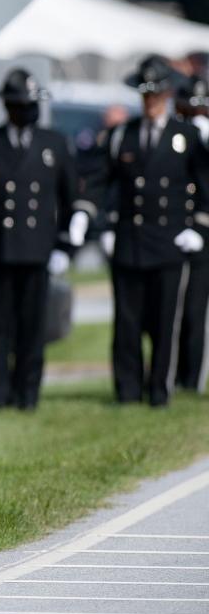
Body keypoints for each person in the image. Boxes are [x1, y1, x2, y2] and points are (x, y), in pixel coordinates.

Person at [87, 54, 209, 407]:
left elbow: (204, 187)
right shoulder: (121, 135)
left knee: (163, 322)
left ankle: (160, 389)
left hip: (170, 240)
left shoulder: (186, 136)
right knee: (127, 322)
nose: (150, 101)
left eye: (155, 94)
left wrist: (198, 226)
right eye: (145, 95)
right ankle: (127, 390)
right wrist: (101, 222)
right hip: (130, 239)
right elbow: (102, 182)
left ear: (168, 95)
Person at [0, 68, 82, 410]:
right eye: (19, 105)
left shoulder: (53, 143)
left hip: (37, 250)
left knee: (32, 328)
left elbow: (71, 198)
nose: (25, 111)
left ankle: (27, 396)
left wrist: (65, 246)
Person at [174, 74, 209, 392]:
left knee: (196, 310)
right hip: (176, 230)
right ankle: (177, 375)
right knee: (180, 310)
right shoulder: (175, 137)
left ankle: (192, 377)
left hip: (203, 230)